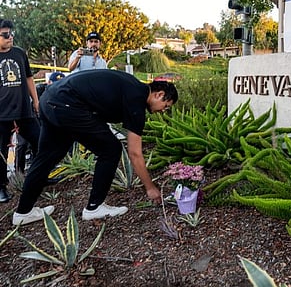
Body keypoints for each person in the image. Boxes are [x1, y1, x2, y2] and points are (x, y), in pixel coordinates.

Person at [12, 69, 178, 225]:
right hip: (67, 104)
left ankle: (23, 213)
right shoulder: (137, 99)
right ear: (159, 94)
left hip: (50, 99)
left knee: (47, 157)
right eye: (166, 106)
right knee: (111, 149)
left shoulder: (131, 86)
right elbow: (135, 153)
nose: (163, 111)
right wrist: (150, 188)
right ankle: (94, 207)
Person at [0, 19, 40, 203]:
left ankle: (41, 176)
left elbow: (30, 78)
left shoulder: (20, 53)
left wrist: (36, 101)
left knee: (40, 141)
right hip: (2, 113)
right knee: (1, 152)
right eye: (6, 35)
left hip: (24, 110)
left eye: (11, 34)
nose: (10, 38)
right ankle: (1, 187)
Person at [14, 72, 65, 173]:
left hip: (44, 119)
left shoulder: (62, 93)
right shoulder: (38, 90)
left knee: (41, 143)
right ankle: (18, 171)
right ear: (48, 82)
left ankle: (38, 169)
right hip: (28, 116)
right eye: (55, 84)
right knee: (22, 144)